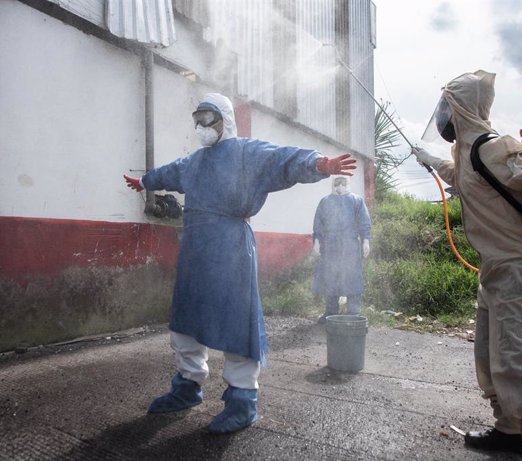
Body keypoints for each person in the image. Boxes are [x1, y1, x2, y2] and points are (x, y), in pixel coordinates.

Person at [123, 93, 356, 434]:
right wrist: (144, 181)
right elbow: (169, 173)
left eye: (208, 118)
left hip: (231, 246)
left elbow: (285, 159)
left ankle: (242, 401)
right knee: (186, 317)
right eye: (197, 119)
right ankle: (187, 387)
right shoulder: (195, 162)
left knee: (236, 319)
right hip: (195, 248)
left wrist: (319, 164)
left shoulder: (249, 153)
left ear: (225, 120)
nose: (201, 126)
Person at [411, 70, 522, 460]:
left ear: (461, 108)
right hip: (498, 269)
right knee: (493, 358)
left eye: (445, 107)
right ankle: (510, 430)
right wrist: (434, 162)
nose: (441, 117)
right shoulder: (470, 153)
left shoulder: (491, 145)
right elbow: (471, 180)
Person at [312, 176, 371, 324]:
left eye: (343, 184)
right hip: (330, 245)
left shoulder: (357, 200)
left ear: (348, 185)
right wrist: (317, 241)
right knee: (331, 277)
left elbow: (364, 221)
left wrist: (366, 240)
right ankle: (330, 313)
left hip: (350, 245)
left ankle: (354, 313)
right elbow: (318, 223)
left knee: (352, 277)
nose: (339, 187)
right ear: (333, 185)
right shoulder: (325, 201)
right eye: (336, 184)